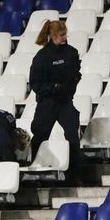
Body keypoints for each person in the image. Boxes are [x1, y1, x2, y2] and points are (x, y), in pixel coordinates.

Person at [29, 20, 82, 184]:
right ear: (52, 36)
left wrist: (67, 88)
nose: (64, 37)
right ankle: (33, 171)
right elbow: (36, 84)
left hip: (65, 101)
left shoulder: (72, 52)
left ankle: (74, 174)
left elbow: (76, 75)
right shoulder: (42, 57)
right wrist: (54, 88)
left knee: (73, 135)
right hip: (48, 102)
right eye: (60, 35)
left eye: (65, 34)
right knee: (40, 135)